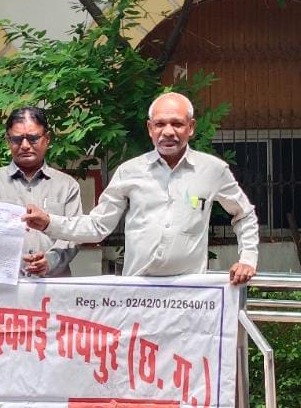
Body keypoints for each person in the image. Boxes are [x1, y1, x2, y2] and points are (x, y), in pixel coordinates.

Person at [23, 92, 259, 284]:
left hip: (190, 296)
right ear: (150, 128)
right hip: (139, 295)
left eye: (177, 124)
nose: (168, 131)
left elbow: (244, 214)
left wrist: (247, 259)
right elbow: (97, 226)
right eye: (160, 124)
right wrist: (49, 223)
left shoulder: (212, 170)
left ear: (191, 127)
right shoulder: (129, 172)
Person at [0, 107, 83, 277]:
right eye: (17, 139)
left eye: (33, 138)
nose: (25, 146)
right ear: (8, 141)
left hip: (52, 285)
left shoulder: (67, 186)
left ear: (47, 139)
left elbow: (74, 236)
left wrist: (50, 261)